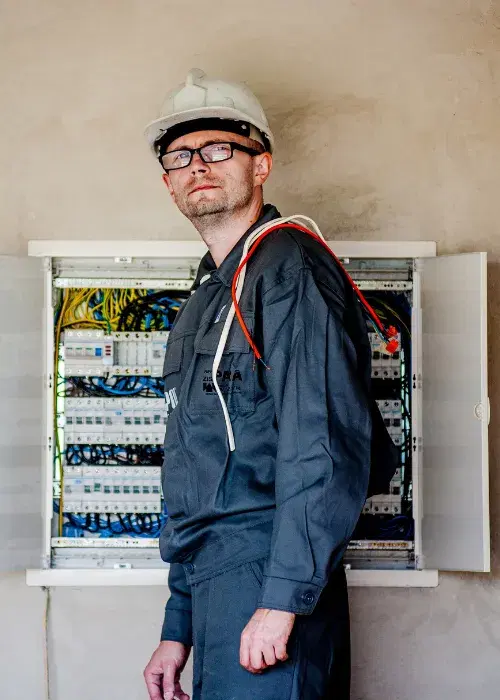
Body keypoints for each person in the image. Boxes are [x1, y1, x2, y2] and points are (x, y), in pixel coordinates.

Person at [143, 69, 393, 700]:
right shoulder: (207, 293)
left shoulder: (289, 269)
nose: (198, 165)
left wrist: (282, 600)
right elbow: (197, 471)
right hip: (217, 584)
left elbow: (323, 442)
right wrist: (180, 625)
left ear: (262, 166)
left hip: (268, 574)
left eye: (220, 149)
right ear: (168, 181)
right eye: (180, 156)